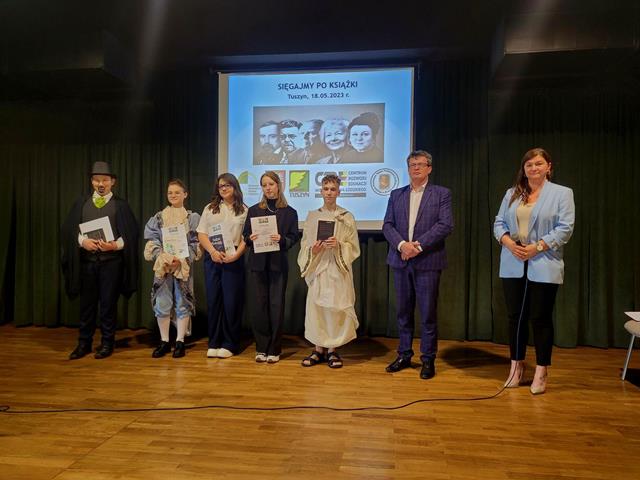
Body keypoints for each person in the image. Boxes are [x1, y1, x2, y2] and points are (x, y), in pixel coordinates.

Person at [494, 148, 575, 395]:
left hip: (544, 261)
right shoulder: (512, 193)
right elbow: (499, 223)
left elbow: (565, 228)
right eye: (529, 165)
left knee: (540, 318)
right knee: (515, 317)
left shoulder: (562, 193)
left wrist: (537, 247)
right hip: (513, 260)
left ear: (549, 166)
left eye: (538, 163)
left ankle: (541, 371)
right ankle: (516, 367)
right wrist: (509, 243)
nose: (533, 168)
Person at [382, 150, 453, 379]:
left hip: (428, 262)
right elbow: (387, 225)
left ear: (429, 168)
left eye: (420, 164)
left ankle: (428, 359)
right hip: (401, 261)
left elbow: (445, 225)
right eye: (412, 164)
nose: (416, 168)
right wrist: (402, 245)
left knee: (427, 314)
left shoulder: (441, 193)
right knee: (403, 313)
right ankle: (404, 354)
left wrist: (417, 247)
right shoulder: (397, 194)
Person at [61, 161, 139, 360]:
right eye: (97, 180)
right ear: (91, 181)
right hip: (87, 262)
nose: (101, 184)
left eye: (105, 180)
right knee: (86, 305)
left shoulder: (120, 205)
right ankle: (84, 343)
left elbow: (130, 235)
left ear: (113, 182)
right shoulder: (82, 203)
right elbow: (69, 231)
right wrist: (83, 242)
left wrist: (114, 246)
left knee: (108, 304)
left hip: (111, 263)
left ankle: (107, 343)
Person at [297, 174, 360, 368]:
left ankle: (332, 350)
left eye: (333, 189)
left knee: (334, 309)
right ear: (321, 191)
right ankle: (318, 349)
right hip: (318, 268)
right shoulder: (312, 216)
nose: (329, 193)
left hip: (337, 268)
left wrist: (339, 245)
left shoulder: (346, 217)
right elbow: (305, 243)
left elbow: (353, 246)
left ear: (339, 192)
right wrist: (313, 250)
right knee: (317, 308)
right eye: (326, 189)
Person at [243, 171, 300, 363]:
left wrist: (282, 239)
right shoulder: (253, 210)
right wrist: (250, 238)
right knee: (259, 307)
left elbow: (293, 237)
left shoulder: (290, 212)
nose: (268, 188)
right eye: (264, 185)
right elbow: (245, 236)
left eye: (271, 184)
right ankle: (261, 348)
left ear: (278, 185)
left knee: (276, 306)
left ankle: (274, 349)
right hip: (257, 265)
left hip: (278, 265)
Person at [143, 179, 201, 359]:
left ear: (185, 194)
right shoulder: (158, 218)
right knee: (162, 303)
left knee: (182, 303)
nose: (173, 195)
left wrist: (181, 259)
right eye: (170, 192)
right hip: (164, 266)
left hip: (182, 266)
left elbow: (196, 243)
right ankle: (164, 341)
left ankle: (180, 341)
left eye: (177, 192)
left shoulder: (192, 218)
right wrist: (163, 257)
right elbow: (153, 241)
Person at [197, 173, 248, 359]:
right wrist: (212, 251)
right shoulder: (210, 208)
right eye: (220, 186)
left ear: (235, 187)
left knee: (231, 302)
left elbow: (246, 238)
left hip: (233, 258)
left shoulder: (244, 210)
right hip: (213, 257)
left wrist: (235, 256)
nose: (224, 189)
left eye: (227, 185)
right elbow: (202, 234)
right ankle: (214, 342)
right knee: (214, 300)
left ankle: (230, 343)